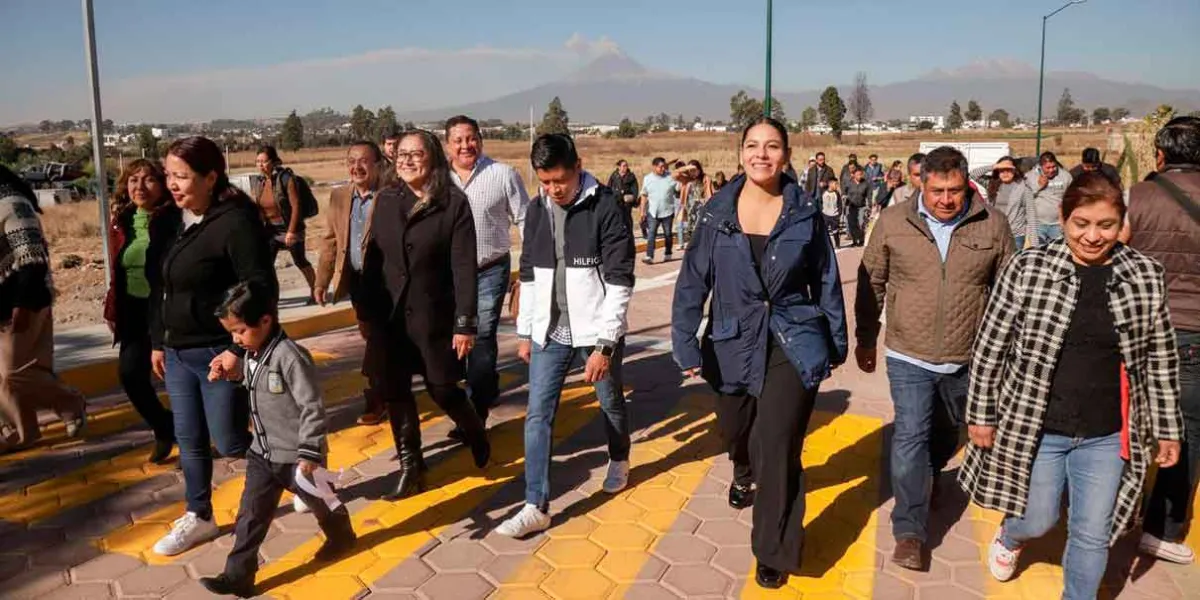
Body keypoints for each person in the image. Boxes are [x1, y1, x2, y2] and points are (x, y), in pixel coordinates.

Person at [960, 173, 1183, 599]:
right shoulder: (1027, 269)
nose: (1094, 236)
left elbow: (1159, 357)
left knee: (1092, 533)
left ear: (1123, 225)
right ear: (1063, 218)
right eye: (1082, 223)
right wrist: (981, 416)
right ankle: (1011, 536)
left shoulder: (1145, 275)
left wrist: (1169, 427)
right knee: (1039, 517)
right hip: (1038, 427)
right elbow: (990, 347)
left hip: (1107, 434)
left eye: (1106, 225)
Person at [672, 117, 847, 589]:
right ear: (740, 153)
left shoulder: (804, 212)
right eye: (752, 145)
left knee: (778, 445)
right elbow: (693, 280)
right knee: (736, 429)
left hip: (792, 339)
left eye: (772, 146)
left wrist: (836, 340)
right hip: (731, 340)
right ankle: (742, 466)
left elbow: (826, 279)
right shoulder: (716, 212)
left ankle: (773, 549)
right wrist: (684, 338)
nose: (762, 154)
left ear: (786, 155)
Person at [855, 146, 1015, 571]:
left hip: (969, 358)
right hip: (909, 353)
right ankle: (909, 531)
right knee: (910, 435)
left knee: (947, 436)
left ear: (968, 186)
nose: (946, 199)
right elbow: (871, 282)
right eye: (937, 190)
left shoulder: (993, 226)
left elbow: (1008, 294)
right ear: (920, 184)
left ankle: (929, 475)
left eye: (955, 190)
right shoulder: (892, 223)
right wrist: (866, 338)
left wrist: (1006, 356)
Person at [496, 134, 635, 538]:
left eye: (560, 180)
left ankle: (620, 457)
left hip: (594, 331)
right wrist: (526, 332)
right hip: (550, 332)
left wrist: (604, 345)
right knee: (538, 413)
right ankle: (535, 504)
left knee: (609, 402)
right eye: (545, 181)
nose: (554, 189)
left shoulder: (605, 205)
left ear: (578, 165)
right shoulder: (537, 209)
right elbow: (530, 272)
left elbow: (620, 280)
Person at [151, 136, 277, 556]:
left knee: (230, 441)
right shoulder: (172, 221)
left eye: (181, 176)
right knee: (188, 440)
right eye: (168, 174)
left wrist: (238, 350)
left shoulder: (235, 222)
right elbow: (162, 288)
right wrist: (157, 341)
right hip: (177, 352)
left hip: (217, 353)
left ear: (211, 177)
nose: (171, 184)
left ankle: (300, 470)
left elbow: (260, 287)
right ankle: (199, 515)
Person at [199, 281, 356, 597]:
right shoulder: (254, 352)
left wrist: (310, 452)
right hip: (263, 454)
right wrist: (231, 373)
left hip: (300, 457)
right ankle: (238, 577)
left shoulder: (290, 356)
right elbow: (255, 381)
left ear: (266, 321)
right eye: (232, 333)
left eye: (240, 331)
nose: (235, 339)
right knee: (250, 515)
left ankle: (342, 536)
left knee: (322, 502)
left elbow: (312, 406)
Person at [360, 129, 491, 501]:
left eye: (415, 154)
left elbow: (465, 268)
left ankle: (473, 427)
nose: (406, 160)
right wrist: (366, 310)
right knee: (395, 390)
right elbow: (373, 259)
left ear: (432, 157)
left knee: (442, 387)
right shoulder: (386, 199)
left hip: (434, 316)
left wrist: (465, 324)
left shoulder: (453, 204)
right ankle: (411, 465)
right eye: (401, 154)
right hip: (390, 318)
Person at [1127, 116, 1200, 565]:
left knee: (1125, 419)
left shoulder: (1138, 196)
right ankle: (1163, 530)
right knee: (1188, 429)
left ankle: (1111, 507)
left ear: (1160, 154)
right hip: (1194, 332)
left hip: (1137, 326)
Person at [444, 116, 530, 433]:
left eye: (471, 138)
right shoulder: (438, 180)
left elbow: (525, 219)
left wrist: (531, 269)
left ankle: (475, 415)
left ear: (480, 139)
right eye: (458, 140)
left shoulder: (503, 174)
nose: (466, 145)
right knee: (455, 340)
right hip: (448, 275)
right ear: (447, 145)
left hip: (489, 268)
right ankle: (485, 385)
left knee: (481, 337)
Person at [0, 165, 87, 453]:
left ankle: (69, 401)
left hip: (22, 303)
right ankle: (22, 432)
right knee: (4, 376)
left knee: (15, 373)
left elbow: (31, 258)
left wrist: (21, 305)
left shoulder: (12, 205)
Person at [103, 159, 180, 463]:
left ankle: (195, 434)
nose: (139, 186)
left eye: (148, 180)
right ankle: (164, 427)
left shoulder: (174, 218)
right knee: (131, 375)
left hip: (167, 308)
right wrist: (112, 307)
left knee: (176, 376)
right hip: (134, 309)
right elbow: (116, 269)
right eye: (133, 180)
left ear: (161, 185)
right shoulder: (121, 221)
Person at [315, 141, 388, 426]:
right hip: (357, 282)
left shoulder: (390, 196)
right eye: (351, 160)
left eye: (364, 161)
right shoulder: (339, 197)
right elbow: (330, 241)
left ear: (378, 165)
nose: (356, 167)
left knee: (379, 340)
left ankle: (376, 396)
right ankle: (388, 389)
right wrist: (322, 280)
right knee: (373, 337)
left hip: (387, 284)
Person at [254, 146, 317, 303]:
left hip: (290, 227)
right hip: (271, 230)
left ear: (273, 162)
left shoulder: (286, 179)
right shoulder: (259, 182)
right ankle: (270, 297)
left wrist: (291, 231)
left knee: (300, 260)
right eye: (257, 162)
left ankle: (315, 291)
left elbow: (296, 206)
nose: (260, 165)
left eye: (264, 161)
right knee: (266, 265)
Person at [971, 156, 1036, 249]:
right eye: (1002, 170)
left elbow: (1031, 215)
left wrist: (1034, 245)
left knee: (1012, 263)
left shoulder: (1024, 187)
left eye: (1009, 170)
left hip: (1015, 235)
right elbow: (973, 174)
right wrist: (994, 166)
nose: (1005, 173)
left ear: (1015, 170)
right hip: (994, 232)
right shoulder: (991, 184)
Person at [1027, 151, 1074, 245]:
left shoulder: (1065, 176)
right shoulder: (1030, 176)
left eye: (1054, 167)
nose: (1051, 170)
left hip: (1058, 224)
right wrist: (1039, 186)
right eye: (1048, 168)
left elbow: (1071, 197)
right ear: (1040, 166)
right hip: (1037, 224)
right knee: (1039, 253)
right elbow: (1025, 198)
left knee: (1055, 253)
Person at [640, 157, 680, 264]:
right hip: (653, 211)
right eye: (660, 167)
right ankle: (649, 256)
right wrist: (642, 211)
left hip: (668, 211)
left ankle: (668, 253)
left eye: (664, 166)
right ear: (654, 167)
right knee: (651, 233)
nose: (663, 169)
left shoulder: (670, 177)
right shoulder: (647, 179)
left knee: (668, 234)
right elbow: (644, 195)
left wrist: (681, 181)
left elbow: (678, 190)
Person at [680, 159, 713, 250]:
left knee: (700, 227)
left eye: (694, 170)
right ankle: (692, 245)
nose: (693, 173)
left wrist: (708, 203)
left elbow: (709, 194)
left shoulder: (705, 178)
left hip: (701, 207)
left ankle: (700, 245)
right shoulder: (687, 179)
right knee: (690, 227)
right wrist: (686, 168)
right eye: (690, 171)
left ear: (699, 169)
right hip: (690, 208)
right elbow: (675, 174)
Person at [842, 166, 871, 247]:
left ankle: (861, 240)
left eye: (861, 174)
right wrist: (844, 196)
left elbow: (869, 194)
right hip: (850, 206)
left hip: (861, 206)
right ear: (853, 175)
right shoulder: (848, 183)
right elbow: (844, 192)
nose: (859, 176)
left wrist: (870, 205)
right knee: (852, 224)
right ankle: (854, 240)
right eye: (857, 174)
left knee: (861, 223)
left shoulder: (865, 183)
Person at [822, 178, 844, 248]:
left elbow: (840, 204)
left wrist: (839, 213)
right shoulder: (823, 192)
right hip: (825, 214)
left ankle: (837, 244)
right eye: (835, 184)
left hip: (834, 215)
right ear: (830, 184)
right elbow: (820, 202)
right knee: (824, 231)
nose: (836, 186)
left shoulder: (836, 193)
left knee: (835, 231)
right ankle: (825, 245)